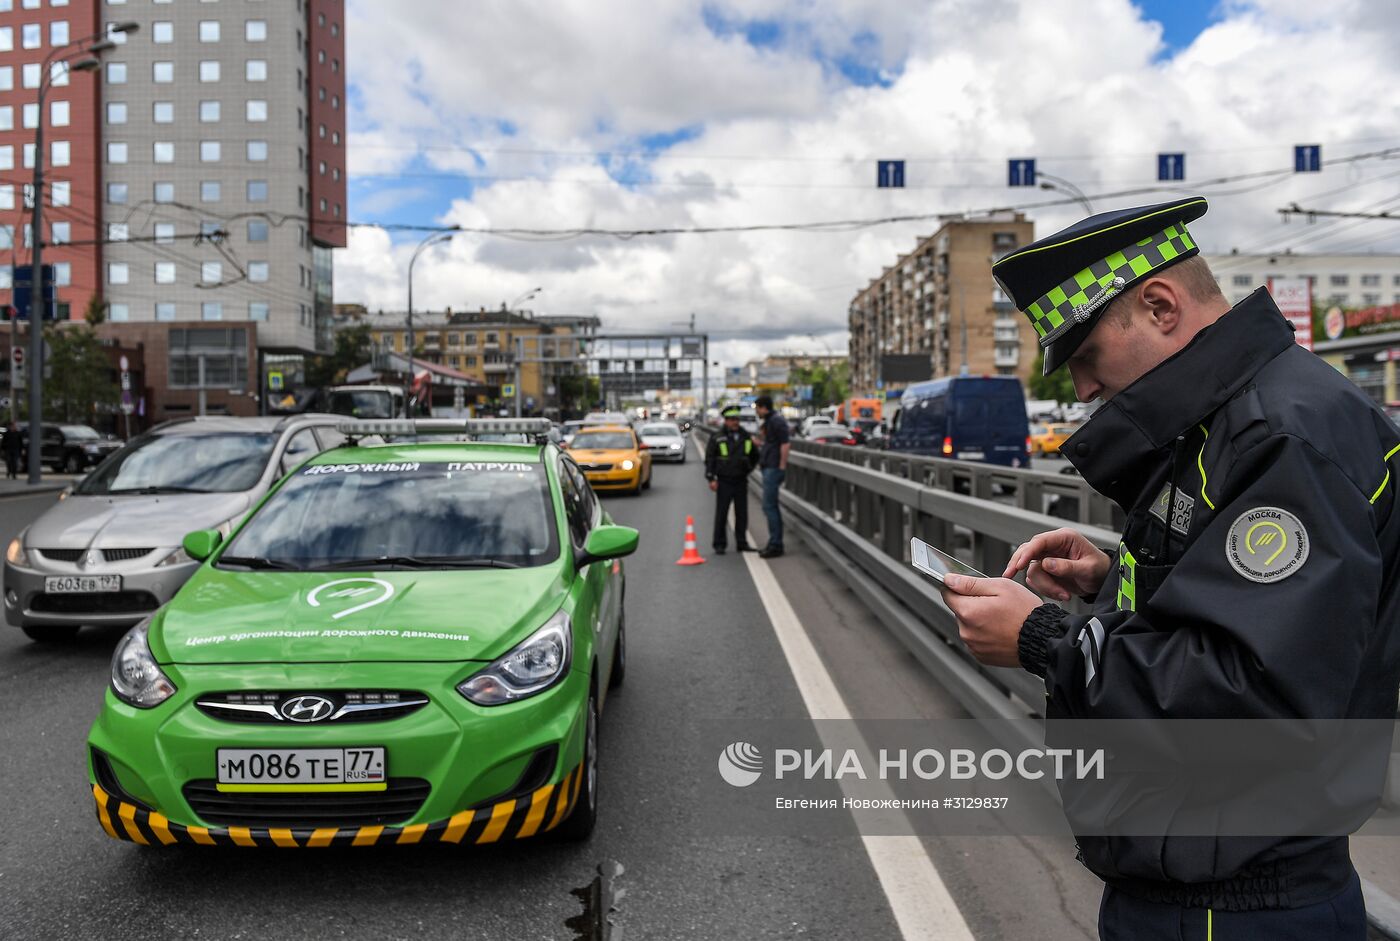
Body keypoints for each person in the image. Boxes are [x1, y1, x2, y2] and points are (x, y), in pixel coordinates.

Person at [938, 196, 1399, 939]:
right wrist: (1112, 572)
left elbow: (1251, 697)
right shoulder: (1233, 418)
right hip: (1201, 876)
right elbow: (1255, 603)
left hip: (1236, 901)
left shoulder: (1283, 433)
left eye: (1086, 356)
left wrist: (1044, 637)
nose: (1083, 389)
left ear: (1159, 305)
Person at [704, 404, 758, 554]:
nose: (735, 422)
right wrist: (711, 478)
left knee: (742, 514)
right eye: (732, 419)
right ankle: (719, 544)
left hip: (741, 480)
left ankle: (742, 543)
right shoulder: (717, 437)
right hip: (724, 481)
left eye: (737, 419)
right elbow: (710, 459)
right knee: (722, 513)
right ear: (725, 420)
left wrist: (748, 469)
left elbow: (755, 456)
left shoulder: (746, 436)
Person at [752, 395, 791, 558]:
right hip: (769, 466)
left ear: (763, 407)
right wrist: (760, 444)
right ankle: (774, 542)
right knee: (769, 506)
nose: (756, 412)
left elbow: (785, 443)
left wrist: (782, 465)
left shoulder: (776, 421)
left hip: (774, 468)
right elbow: (773, 443)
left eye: (757, 408)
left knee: (769, 506)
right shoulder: (770, 421)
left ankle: (776, 544)